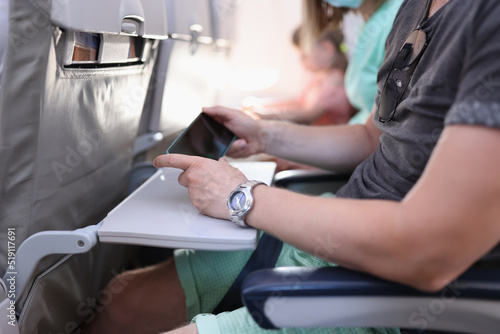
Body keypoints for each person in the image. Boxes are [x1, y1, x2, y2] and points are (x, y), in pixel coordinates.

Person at [84, 0, 500, 334]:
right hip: (328, 235)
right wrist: (265, 135)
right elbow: (374, 138)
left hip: (389, 290)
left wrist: (240, 197)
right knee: (121, 302)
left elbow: (428, 252)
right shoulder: (414, 8)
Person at [249, 27, 354, 126]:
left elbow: (309, 115)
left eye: (304, 55)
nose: (300, 60)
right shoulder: (319, 78)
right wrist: (263, 105)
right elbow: (299, 103)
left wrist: (265, 114)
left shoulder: (335, 81)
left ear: (327, 49)